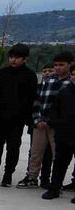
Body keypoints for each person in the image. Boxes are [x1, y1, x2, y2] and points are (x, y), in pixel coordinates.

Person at [0, 44, 38, 186]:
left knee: (13, 147)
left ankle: (8, 175)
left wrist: (26, 118)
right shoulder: (3, 73)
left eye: (17, 58)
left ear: (25, 59)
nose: (13, 60)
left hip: (17, 120)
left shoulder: (30, 75)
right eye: (11, 57)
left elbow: (31, 99)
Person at [17, 52, 74, 189]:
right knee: (36, 152)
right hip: (40, 124)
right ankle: (32, 177)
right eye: (56, 65)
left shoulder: (69, 85)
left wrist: (51, 121)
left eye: (61, 65)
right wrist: (36, 119)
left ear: (69, 65)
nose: (58, 68)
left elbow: (62, 109)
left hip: (57, 126)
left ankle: (56, 182)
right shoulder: (47, 81)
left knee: (58, 156)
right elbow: (37, 101)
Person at [43, 83, 75, 202]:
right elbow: (54, 110)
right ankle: (54, 188)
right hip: (64, 134)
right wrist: (56, 124)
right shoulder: (64, 92)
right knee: (59, 163)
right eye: (73, 74)